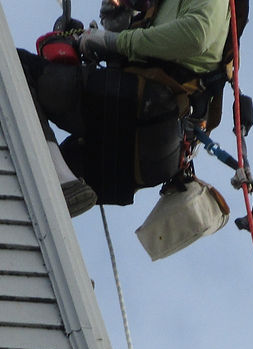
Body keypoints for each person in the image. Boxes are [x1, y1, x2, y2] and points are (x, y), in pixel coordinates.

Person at [18, 0, 230, 217]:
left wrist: (114, 42)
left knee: (15, 67)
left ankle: (62, 178)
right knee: (29, 185)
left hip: (144, 109)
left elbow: (195, 35)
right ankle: (61, 183)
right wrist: (89, 40)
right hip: (149, 147)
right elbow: (145, 50)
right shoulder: (160, 9)